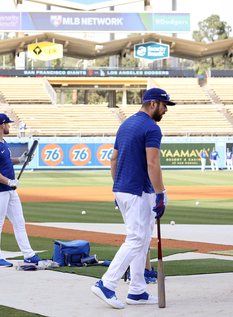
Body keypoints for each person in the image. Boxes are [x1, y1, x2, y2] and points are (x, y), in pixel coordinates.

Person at [90, 87, 174, 308]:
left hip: (124, 189)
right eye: (165, 105)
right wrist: (161, 194)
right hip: (138, 190)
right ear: (153, 103)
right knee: (137, 239)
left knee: (143, 239)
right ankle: (106, 284)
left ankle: (137, 290)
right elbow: (153, 163)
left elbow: (113, 160)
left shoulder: (125, 124)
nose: (166, 110)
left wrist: (117, 187)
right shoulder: (152, 128)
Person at [0, 113, 43, 268]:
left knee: (19, 222)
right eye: (8, 124)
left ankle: (29, 254)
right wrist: (9, 181)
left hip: (9, 189)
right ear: (2, 125)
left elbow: (5, 162)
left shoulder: (3, 142)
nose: (9, 126)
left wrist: (20, 160)